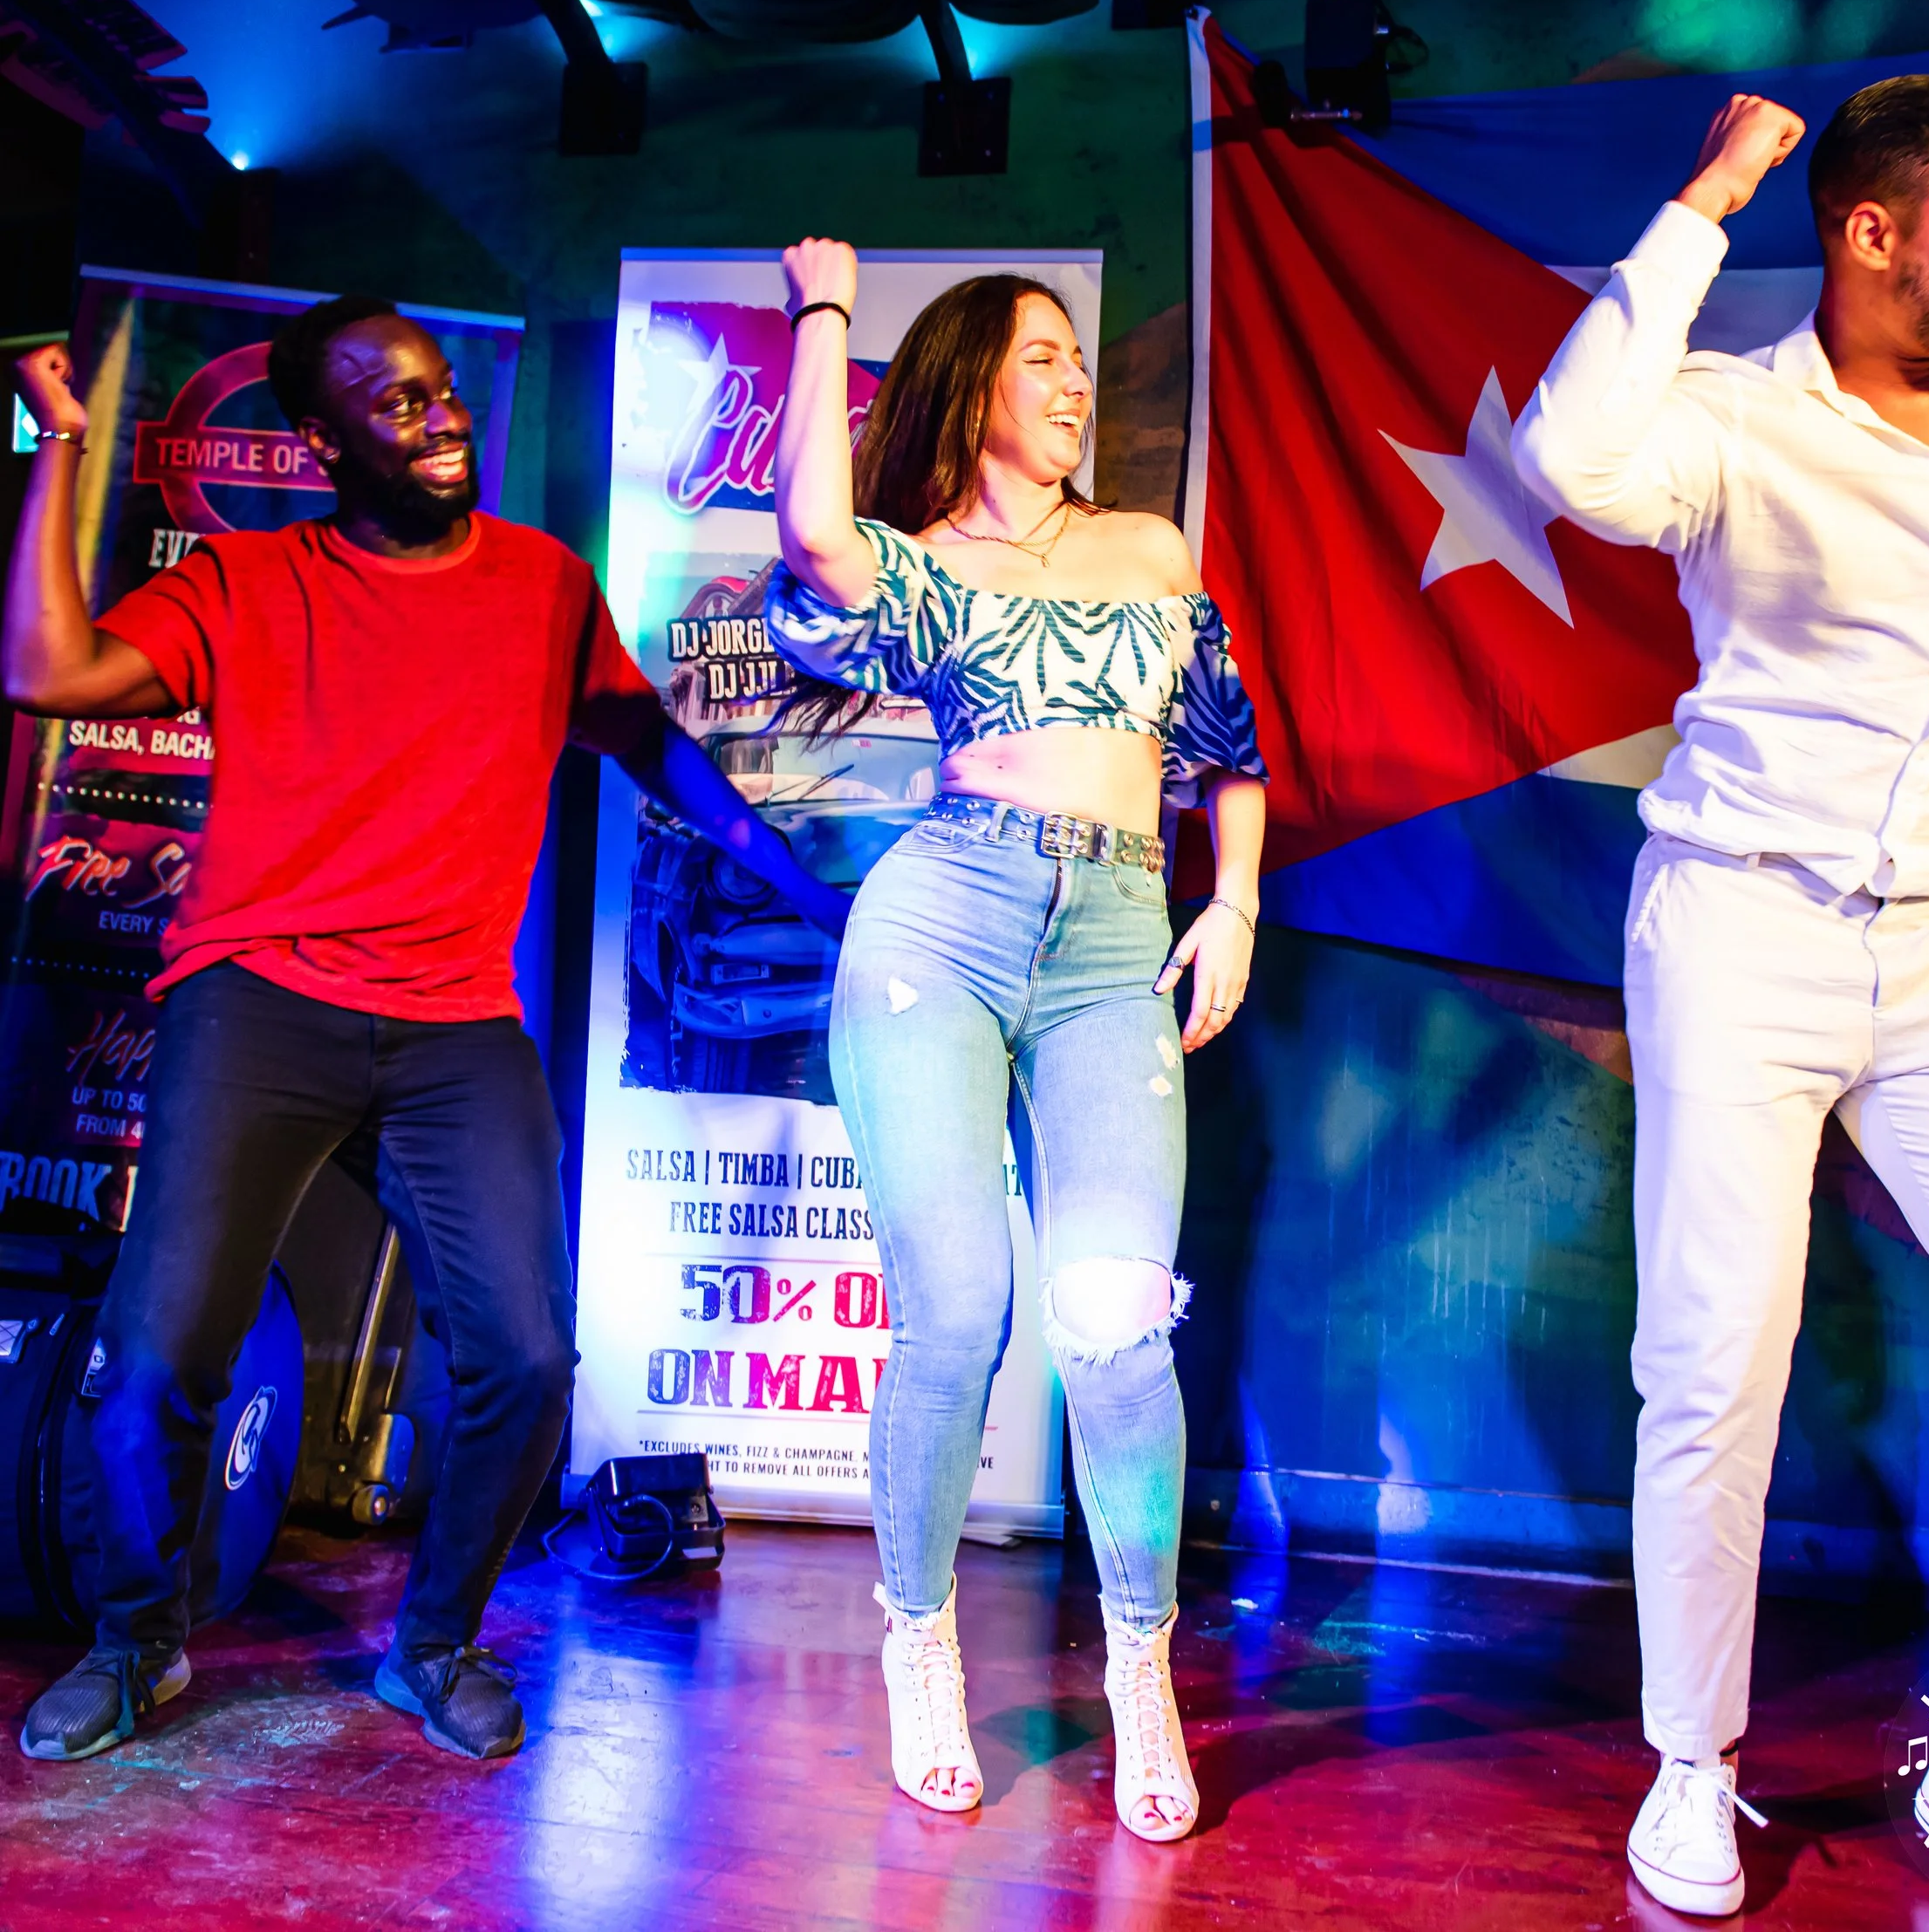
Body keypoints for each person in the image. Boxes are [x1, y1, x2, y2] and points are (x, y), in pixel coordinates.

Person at [1512, 78, 1929, 1928]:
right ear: (1870, 229)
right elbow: (1570, 456)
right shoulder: (1731, 417)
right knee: (1710, 1363)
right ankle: (1690, 1767)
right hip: (1739, 924)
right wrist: (1713, 193)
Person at [8, 300, 848, 1765]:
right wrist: (63, 440)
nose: (439, 416)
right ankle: (139, 1638)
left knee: (524, 1355)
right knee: (152, 1365)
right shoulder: (248, 579)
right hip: (258, 998)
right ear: (323, 441)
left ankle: (432, 1646)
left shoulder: (540, 585)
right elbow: (48, 674)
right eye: (393, 404)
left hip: (455, 1022)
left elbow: (654, 752)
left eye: (441, 389)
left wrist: (813, 894)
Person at [763, 243, 1267, 1842]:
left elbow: (1230, 750)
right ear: (977, 380)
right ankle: (919, 1644)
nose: (1073, 382)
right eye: (1043, 356)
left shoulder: (1146, 545)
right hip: (942, 922)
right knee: (959, 1313)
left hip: (1120, 931)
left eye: (1079, 360)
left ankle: (1139, 1668)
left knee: (1116, 1328)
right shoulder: (918, 564)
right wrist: (822, 313)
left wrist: (1234, 902)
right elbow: (813, 542)